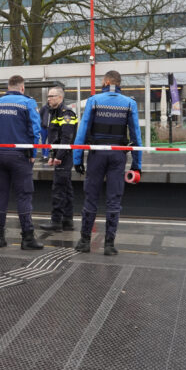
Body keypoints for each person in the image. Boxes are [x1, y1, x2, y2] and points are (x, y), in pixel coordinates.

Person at [73, 70, 142, 256]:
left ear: (105, 82)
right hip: (118, 155)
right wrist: (137, 165)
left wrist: (77, 159)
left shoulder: (93, 101)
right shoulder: (129, 104)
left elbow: (82, 131)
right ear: (119, 83)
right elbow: (136, 136)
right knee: (114, 199)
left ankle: (85, 241)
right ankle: (109, 244)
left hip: (96, 154)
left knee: (91, 197)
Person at [0, 75, 43, 250]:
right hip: (19, 156)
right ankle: (27, 237)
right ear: (22, 88)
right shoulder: (28, 103)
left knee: (1, 195)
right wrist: (33, 152)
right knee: (24, 195)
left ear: (8, 87)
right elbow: (35, 129)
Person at [38, 86, 78, 234]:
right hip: (61, 155)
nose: (49, 99)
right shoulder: (53, 113)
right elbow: (54, 138)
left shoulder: (66, 114)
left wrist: (58, 158)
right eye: (48, 96)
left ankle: (56, 222)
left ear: (60, 97)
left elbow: (66, 139)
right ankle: (67, 221)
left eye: (52, 96)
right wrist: (51, 155)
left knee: (58, 189)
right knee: (66, 189)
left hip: (65, 156)